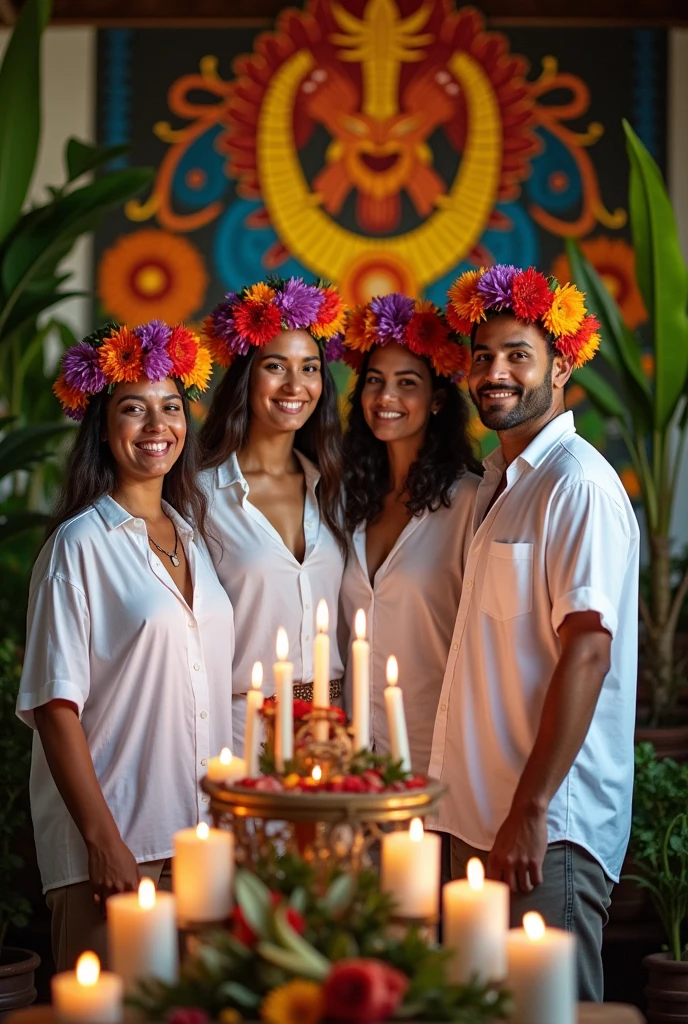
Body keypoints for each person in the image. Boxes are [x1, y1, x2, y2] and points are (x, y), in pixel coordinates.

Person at [429, 265, 640, 1000]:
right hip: (480, 821)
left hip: (545, 830)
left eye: (518, 355)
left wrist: (530, 811)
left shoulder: (576, 484)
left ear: (563, 364)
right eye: (483, 356)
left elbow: (588, 652)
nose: (495, 373)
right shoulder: (497, 482)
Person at [16, 321, 234, 970]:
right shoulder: (77, 547)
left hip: (201, 839)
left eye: (171, 407)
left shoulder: (194, 541)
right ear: (102, 428)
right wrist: (102, 840)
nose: (156, 425)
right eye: (133, 408)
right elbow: (56, 707)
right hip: (117, 844)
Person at [201, 278, 348, 754]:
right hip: (240, 725)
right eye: (275, 367)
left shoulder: (334, 488)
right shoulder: (199, 494)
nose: (294, 386)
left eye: (309, 368)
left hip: (331, 726)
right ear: (247, 377)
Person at [339, 294, 481, 774]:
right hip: (356, 757)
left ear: (437, 400)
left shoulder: (469, 504)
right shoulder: (349, 502)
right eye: (375, 381)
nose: (386, 398)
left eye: (407, 383)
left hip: (436, 753)